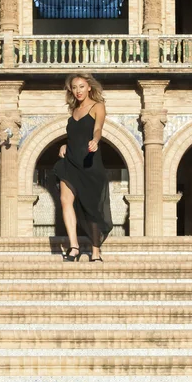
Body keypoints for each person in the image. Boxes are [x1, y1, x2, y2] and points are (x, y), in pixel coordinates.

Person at [53, 73, 113, 262]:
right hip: (70, 161)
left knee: (91, 208)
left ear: (89, 87)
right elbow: (74, 136)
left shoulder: (97, 106)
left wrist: (95, 140)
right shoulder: (73, 111)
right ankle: (74, 247)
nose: (78, 91)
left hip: (89, 162)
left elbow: (98, 128)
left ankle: (95, 251)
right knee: (65, 200)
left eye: (81, 86)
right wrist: (64, 146)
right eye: (74, 87)